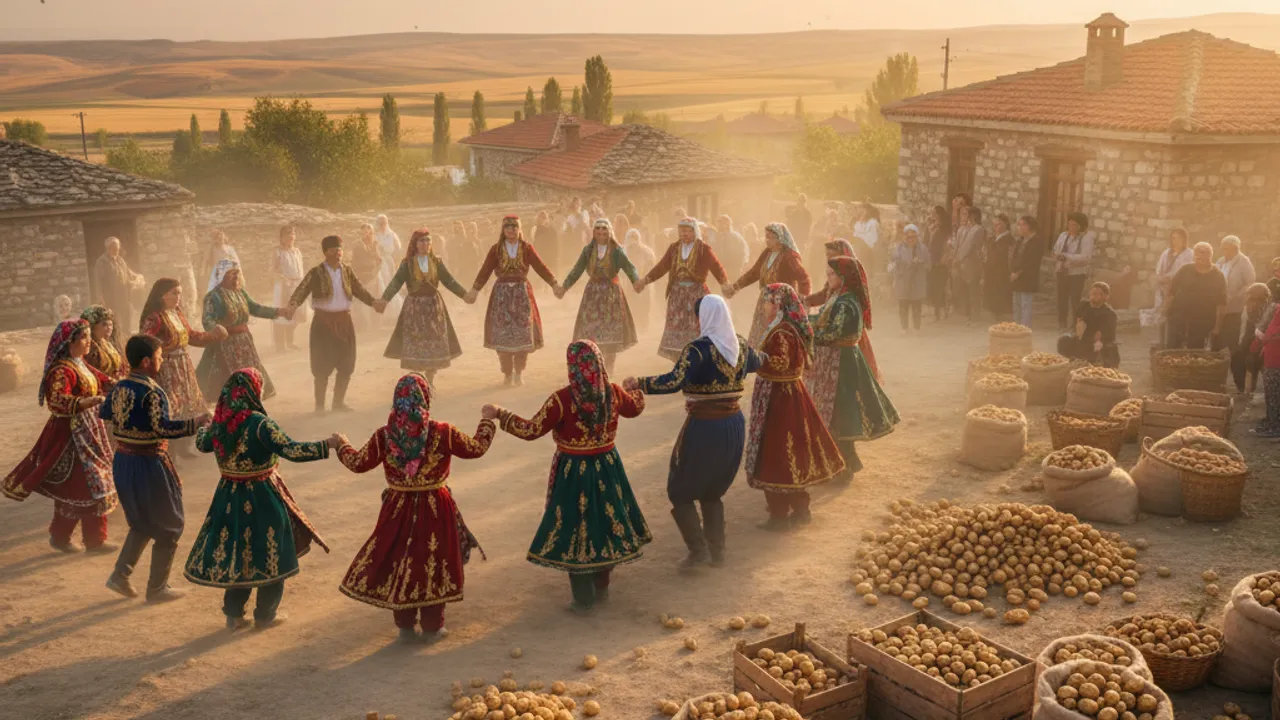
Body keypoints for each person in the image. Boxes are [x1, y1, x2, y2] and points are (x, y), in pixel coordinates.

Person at [486, 340, 651, 612]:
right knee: (604, 521)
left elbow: (531, 430)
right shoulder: (613, 392)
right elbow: (635, 408)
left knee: (575, 526)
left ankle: (583, 599)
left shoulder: (562, 399)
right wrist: (637, 390)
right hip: (608, 467)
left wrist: (500, 414)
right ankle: (602, 587)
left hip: (573, 471)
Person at [334, 373, 493, 642]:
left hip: (397, 508)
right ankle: (434, 626)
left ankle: (405, 627)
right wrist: (488, 420)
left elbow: (358, 463)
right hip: (435, 507)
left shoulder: (385, 436)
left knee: (400, 559)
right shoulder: (443, 432)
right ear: (425, 399)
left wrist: (341, 444)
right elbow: (477, 448)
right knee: (433, 559)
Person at [184, 369, 339, 630]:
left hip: (228, 496)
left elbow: (202, 444)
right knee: (271, 552)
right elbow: (293, 450)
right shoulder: (260, 424)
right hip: (262, 495)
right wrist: (329, 444)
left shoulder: (221, 423)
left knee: (238, 553)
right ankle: (265, 615)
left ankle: (234, 615)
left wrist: (206, 425)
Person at [626, 296, 764, 570]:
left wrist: (638, 383)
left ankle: (698, 552)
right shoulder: (741, 345)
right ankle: (718, 552)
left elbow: (674, 381)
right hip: (734, 426)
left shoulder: (697, 350)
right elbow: (761, 361)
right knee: (712, 491)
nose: (697, 321)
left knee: (680, 490)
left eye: (698, 315)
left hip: (705, 426)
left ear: (704, 317)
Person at [103, 334, 206, 602]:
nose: (161, 361)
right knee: (170, 523)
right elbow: (164, 428)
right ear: (147, 361)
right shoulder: (152, 391)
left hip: (123, 461)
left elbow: (105, 413)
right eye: (160, 357)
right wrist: (198, 422)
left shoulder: (120, 386)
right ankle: (157, 587)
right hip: (149, 463)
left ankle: (121, 575)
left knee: (142, 521)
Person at [3, 319, 118, 553]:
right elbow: (56, 401)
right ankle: (83, 539)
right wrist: (85, 402)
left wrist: (117, 384)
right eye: (85, 338)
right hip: (71, 437)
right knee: (82, 487)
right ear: (71, 342)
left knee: (86, 486)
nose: (89, 342)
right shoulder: (62, 370)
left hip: (89, 431)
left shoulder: (80, 363)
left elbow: (100, 380)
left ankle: (72, 537)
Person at [746, 284, 844, 531]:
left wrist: (750, 358)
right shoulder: (785, 328)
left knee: (777, 453)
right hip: (786, 396)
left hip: (780, 400)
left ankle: (780, 515)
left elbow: (779, 363)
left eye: (768, 302)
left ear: (778, 304)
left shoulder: (782, 332)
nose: (765, 307)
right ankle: (799, 509)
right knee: (792, 452)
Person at [807, 258, 900, 483]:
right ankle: (843, 464)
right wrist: (806, 321)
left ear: (844, 276)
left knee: (841, 413)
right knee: (835, 414)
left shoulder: (846, 303)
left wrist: (806, 333)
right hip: (836, 361)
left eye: (831, 274)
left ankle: (844, 468)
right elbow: (822, 320)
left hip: (842, 363)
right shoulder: (838, 298)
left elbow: (832, 333)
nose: (827, 278)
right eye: (827, 273)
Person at [289, 235, 387, 412]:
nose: (338, 253)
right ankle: (319, 406)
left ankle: (338, 403)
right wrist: (292, 305)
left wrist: (373, 303)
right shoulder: (316, 272)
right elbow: (301, 290)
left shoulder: (347, 271)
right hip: (323, 323)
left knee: (347, 363)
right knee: (321, 366)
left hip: (345, 321)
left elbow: (359, 290)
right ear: (325, 252)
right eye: (334, 250)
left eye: (340, 250)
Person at [466, 216, 561, 386]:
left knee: (523, 334)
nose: (511, 229)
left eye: (514, 226)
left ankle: (518, 372)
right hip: (501, 295)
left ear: (519, 228)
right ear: (503, 230)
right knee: (502, 335)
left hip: (521, 295)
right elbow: (485, 270)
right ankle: (507, 374)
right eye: (507, 226)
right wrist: (475, 290)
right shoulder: (495, 250)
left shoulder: (526, 248)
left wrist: (554, 284)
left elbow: (540, 266)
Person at [139, 278, 224, 454]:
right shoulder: (155, 318)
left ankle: (185, 446)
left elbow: (190, 336)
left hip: (184, 365)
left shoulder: (177, 313)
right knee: (173, 406)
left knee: (189, 404)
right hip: (167, 368)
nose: (179, 297)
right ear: (163, 296)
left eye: (179, 293)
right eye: (174, 293)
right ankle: (172, 450)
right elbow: (145, 343)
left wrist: (213, 335)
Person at [381, 229, 468, 387]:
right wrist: (384, 299)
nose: (425, 244)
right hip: (414, 308)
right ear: (415, 244)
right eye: (421, 241)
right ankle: (419, 381)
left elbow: (449, 281)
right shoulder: (407, 263)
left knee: (434, 342)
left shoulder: (437, 262)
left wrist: (464, 295)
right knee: (416, 342)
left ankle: (430, 379)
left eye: (428, 240)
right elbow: (395, 282)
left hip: (434, 308)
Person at [637, 217, 731, 361]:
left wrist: (724, 283)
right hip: (677, 295)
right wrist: (645, 280)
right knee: (676, 326)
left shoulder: (703, 249)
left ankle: (697, 357)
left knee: (696, 325)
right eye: (681, 231)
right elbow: (662, 267)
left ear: (694, 232)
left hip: (696, 295)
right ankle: (678, 361)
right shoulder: (674, 248)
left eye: (687, 231)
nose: (684, 234)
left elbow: (716, 267)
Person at [196, 259, 289, 402]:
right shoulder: (213, 297)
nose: (236, 277)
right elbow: (207, 319)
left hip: (244, 343)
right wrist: (217, 329)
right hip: (224, 343)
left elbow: (255, 308)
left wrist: (279, 312)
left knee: (250, 373)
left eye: (237, 274)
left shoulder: (240, 293)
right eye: (231, 274)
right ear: (221, 275)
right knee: (225, 377)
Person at [558, 219, 640, 373]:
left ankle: (609, 367)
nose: (601, 235)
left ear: (609, 232)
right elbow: (577, 270)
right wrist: (564, 287)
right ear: (594, 233)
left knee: (612, 331)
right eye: (598, 232)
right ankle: (596, 366)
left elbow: (630, 267)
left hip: (612, 293)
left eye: (604, 232)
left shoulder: (617, 250)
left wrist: (636, 282)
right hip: (593, 295)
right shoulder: (588, 251)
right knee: (592, 330)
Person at [726, 222, 811, 347]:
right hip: (765, 299)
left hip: (782, 302)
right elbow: (754, 272)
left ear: (780, 238)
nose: (767, 240)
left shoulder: (789, 256)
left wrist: (803, 299)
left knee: (778, 334)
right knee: (760, 331)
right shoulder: (767, 252)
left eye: (770, 237)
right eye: (766, 237)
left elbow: (804, 278)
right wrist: (736, 286)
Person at [1165, 242, 1227, 350]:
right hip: (1179, 318)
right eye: (1198, 255)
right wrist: (1165, 311)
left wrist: (1217, 327)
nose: (1201, 257)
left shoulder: (1218, 276)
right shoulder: (1185, 270)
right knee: (1173, 349)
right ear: (1194, 256)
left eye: (1204, 254)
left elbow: (1222, 303)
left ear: (1210, 256)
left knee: (1195, 352)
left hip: (1202, 322)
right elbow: (1171, 291)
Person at [93, 237, 145, 351]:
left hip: (123, 295)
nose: (117, 249)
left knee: (126, 314)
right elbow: (98, 280)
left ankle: (126, 337)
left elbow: (129, 273)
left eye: (118, 247)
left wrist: (138, 277)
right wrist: (100, 296)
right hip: (110, 295)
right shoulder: (102, 261)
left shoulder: (120, 260)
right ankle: (114, 341)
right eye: (114, 247)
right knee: (113, 317)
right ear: (108, 248)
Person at [1143, 228, 1193, 337]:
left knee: (1175, 317)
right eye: (1173, 238)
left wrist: (1170, 280)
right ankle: (1161, 342)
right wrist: (1160, 279)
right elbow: (1159, 270)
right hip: (1162, 289)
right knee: (1161, 315)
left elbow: (1184, 273)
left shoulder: (1189, 254)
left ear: (1184, 239)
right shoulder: (1166, 253)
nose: (1175, 241)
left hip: (1178, 291)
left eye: (1178, 238)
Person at [1212, 235, 1257, 356]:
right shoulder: (1221, 261)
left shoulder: (1244, 262)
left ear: (1235, 248)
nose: (1223, 251)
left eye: (1226, 248)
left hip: (1235, 307)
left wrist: (1236, 296)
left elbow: (1250, 283)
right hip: (1219, 306)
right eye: (1223, 248)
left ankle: (1233, 362)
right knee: (1216, 336)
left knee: (1232, 337)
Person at [1057, 282, 1120, 368]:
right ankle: (1075, 361)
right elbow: (1079, 320)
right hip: (1083, 339)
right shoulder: (1083, 306)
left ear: (1106, 296)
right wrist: (1079, 325)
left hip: (1099, 342)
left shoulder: (1110, 314)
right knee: (1064, 340)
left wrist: (1100, 339)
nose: (1094, 296)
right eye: (1093, 294)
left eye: (1098, 294)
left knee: (1111, 349)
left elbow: (1110, 335)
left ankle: (1103, 366)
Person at [1052, 212, 1096, 332]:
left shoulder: (1087, 238)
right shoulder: (1063, 235)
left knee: (1075, 301)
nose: (1071, 227)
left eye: (1074, 225)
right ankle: (1062, 323)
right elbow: (1056, 250)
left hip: (1076, 274)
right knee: (1062, 299)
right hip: (1062, 272)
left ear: (1081, 226)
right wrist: (1058, 256)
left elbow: (1085, 257)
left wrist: (1067, 257)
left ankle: (1075, 325)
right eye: (1070, 224)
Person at [269, 225, 306, 352]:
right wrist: (283, 279)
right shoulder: (277, 252)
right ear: (282, 237)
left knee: (295, 314)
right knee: (282, 316)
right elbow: (272, 271)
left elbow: (300, 268)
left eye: (293, 233)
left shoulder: (297, 251)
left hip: (296, 285)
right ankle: (280, 345)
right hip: (283, 286)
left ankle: (290, 342)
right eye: (288, 234)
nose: (291, 236)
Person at [1233, 283, 1274, 399]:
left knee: (1256, 360)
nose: (1250, 303)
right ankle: (1244, 388)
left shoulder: (1269, 310)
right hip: (1251, 337)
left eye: (1254, 299)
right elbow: (1245, 329)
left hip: (1266, 341)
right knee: (1239, 357)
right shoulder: (1247, 310)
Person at [890, 224, 931, 331]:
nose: (911, 239)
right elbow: (893, 262)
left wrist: (920, 263)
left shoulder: (923, 248)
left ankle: (917, 327)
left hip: (917, 280)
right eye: (908, 237)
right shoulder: (898, 248)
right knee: (903, 305)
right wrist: (905, 264)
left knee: (916, 305)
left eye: (913, 237)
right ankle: (905, 328)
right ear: (904, 237)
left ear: (917, 237)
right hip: (902, 280)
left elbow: (928, 264)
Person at [951, 206, 986, 325]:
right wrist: (954, 257)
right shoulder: (964, 229)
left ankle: (975, 316)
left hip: (971, 263)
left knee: (973, 291)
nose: (964, 217)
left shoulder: (978, 229)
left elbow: (969, 246)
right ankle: (968, 314)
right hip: (961, 263)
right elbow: (958, 244)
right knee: (965, 290)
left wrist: (959, 258)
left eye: (967, 214)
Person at [1010, 215, 1044, 329]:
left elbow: (1032, 261)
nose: (1019, 227)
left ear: (1029, 226)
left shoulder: (1037, 242)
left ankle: (1024, 329)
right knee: (1016, 304)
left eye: (1022, 224)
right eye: (1019, 225)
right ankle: (1016, 327)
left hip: (1027, 277)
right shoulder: (1020, 241)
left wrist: (1018, 273)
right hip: (1016, 276)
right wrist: (1012, 271)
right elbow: (1015, 257)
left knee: (1025, 304)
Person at [350, 223, 385, 332]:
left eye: (369, 232)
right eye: (364, 232)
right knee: (364, 302)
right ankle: (364, 327)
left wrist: (376, 269)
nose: (367, 234)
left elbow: (380, 260)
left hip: (375, 276)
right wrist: (357, 276)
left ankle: (377, 326)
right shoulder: (357, 245)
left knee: (377, 300)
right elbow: (354, 262)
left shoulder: (376, 244)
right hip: (363, 276)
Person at [1254, 297, 1280, 437]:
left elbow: (1274, 333)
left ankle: (1275, 426)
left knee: (1275, 394)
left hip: (1277, 359)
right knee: (1271, 393)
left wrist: (1267, 337)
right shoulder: (1276, 308)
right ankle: (1271, 421)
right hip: (1271, 356)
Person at [81, 305, 128, 381]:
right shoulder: (87, 347)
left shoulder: (107, 344)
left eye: (111, 324)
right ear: (92, 327)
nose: (109, 328)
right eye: (104, 324)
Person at [623, 228, 657, 334]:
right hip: (630, 283)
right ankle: (635, 325)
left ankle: (644, 325)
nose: (633, 240)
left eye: (635, 237)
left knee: (644, 304)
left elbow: (652, 265)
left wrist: (644, 279)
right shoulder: (623, 252)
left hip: (644, 282)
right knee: (632, 304)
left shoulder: (647, 251)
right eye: (630, 237)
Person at [984, 214, 1015, 321]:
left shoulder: (1009, 240)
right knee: (992, 294)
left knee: (1000, 294)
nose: (996, 227)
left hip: (1002, 271)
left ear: (1005, 224)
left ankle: (1001, 316)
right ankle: (994, 314)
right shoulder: (993, 238)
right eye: (995, 224)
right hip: (991, 271)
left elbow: (1008, 257)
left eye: (999, 224)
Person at [374, 214, 404, 320]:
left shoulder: (392, 235)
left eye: (384, 223)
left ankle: (394, 312)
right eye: (380, 223)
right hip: (378, 263)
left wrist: (394, 261)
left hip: (389, 261)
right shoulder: (375, 235)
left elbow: (398, 249)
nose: (382, 225)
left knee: (390, 284)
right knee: (381, 285)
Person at [926, 205, 952, 321]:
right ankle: (936, 312)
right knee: (933, 286)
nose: (931, 215)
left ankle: (942, 312)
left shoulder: (945, 229)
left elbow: (947, 244)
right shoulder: (932, 227)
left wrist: (944, 257)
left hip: (940, 261)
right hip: (932, 259)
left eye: (933, 213)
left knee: (940, 286)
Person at [533, 211, 560, 281]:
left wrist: (556, 256)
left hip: (550, 254)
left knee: (550, 272)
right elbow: (535, 242)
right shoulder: (537, 230)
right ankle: (544, 287)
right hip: (541, 254)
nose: (543, 220)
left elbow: (556, 244)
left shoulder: (552, 230)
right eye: (541, 218)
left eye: (544, 218)